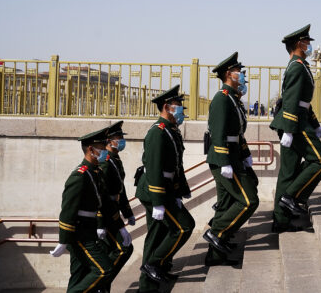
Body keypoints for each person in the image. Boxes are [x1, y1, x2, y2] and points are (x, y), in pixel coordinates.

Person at [49, 127, 132, 293]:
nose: (103, 151)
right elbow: (67, 211)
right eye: (100, 148)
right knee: (104, 270)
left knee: (79, 274)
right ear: (90, 150)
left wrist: (121, 227)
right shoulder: (79, 176)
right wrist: (63, 240)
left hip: (89, 230)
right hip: (79, 234)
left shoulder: (96, 172)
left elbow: (107, 206)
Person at [270, 24, 321, 232]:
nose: (308, 45)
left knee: (288, 172)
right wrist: (288, 129)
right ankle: (291, 197)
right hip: (295, 123)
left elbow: (304, 101)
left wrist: (315, 123)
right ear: (298, 44)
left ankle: (281, 219)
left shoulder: (300, 64)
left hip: (298, 120)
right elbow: (290, 99)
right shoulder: (297, 66)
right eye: (306, 42)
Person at [135, 85, 195, 291]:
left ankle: (148, 285)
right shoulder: (158, 133)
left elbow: (176, 165)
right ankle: (154, 264)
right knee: (184, 226)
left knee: (156, 234)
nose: (181, 109)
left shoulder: (171, 130)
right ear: (167, 107)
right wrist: (159, 202)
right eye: (178, 105)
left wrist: (180, 189)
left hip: (165, 189)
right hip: (154, 191)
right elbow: (154, 170)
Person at [203, 52, 259, 266]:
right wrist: (225, 162)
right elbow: (217, 133)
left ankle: (215, 255)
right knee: (248, 200)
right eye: (239, 72)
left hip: (234, 157)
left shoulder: (232, 99)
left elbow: (237, 133)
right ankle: (217, 233)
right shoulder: (221, 99)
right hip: (223, 160)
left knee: (226, 203)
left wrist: (245, 155)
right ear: (229, 74)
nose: (242, 75)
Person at [98, 121, 135, 286]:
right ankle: (99, 283)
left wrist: (128, 212)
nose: (121, 140)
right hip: (106, 215)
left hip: (113, 211)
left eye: (121, 136)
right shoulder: (105, 161)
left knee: (111, 252)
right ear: (109, 140)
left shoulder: (114, 158)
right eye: (118, 137)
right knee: (123, 249)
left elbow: (120, 189)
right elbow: (100, 196)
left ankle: (103, 285)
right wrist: (100, 222)